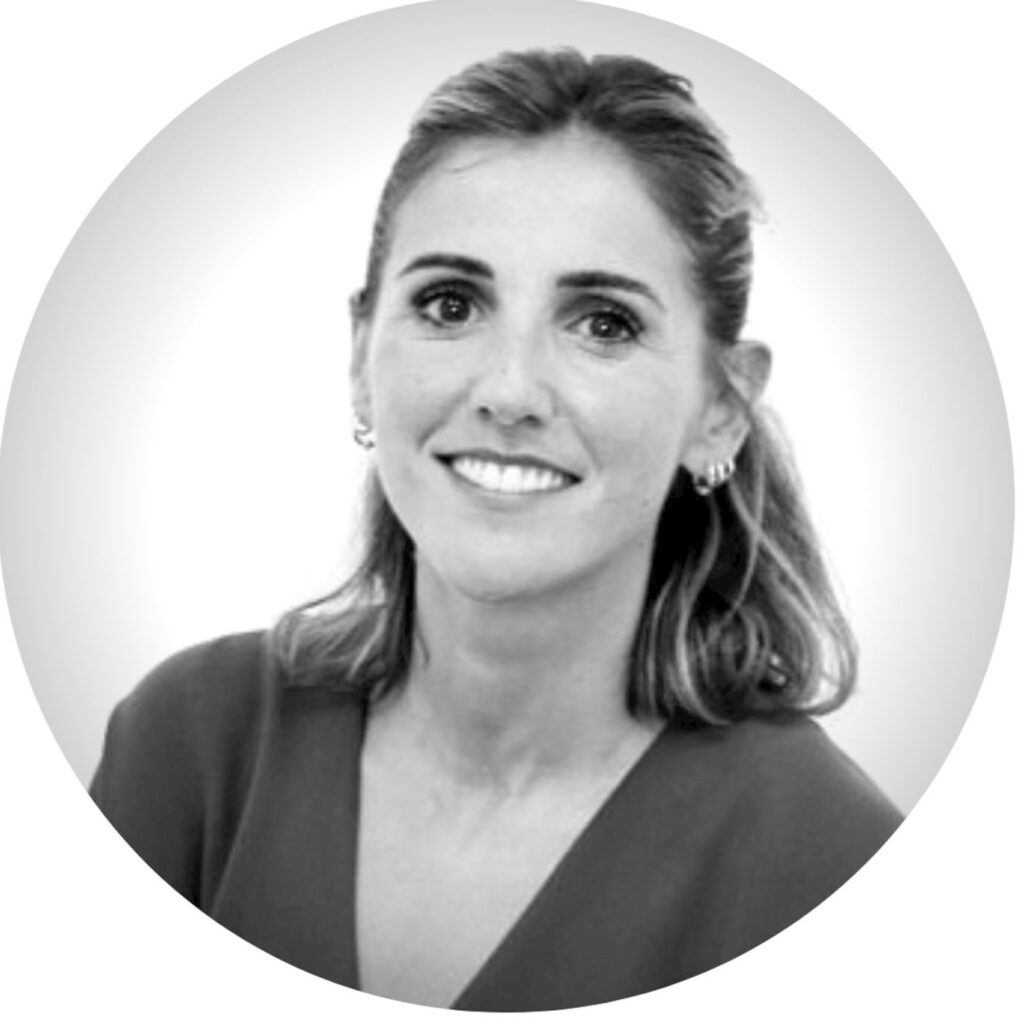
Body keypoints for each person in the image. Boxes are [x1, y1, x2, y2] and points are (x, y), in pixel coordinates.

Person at [90, 48, 901, 1011]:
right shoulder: (190, 745)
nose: (510, 391)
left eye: (603, 323)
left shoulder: (838, 868)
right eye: (451, 305)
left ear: (721, 409)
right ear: (361, 355)